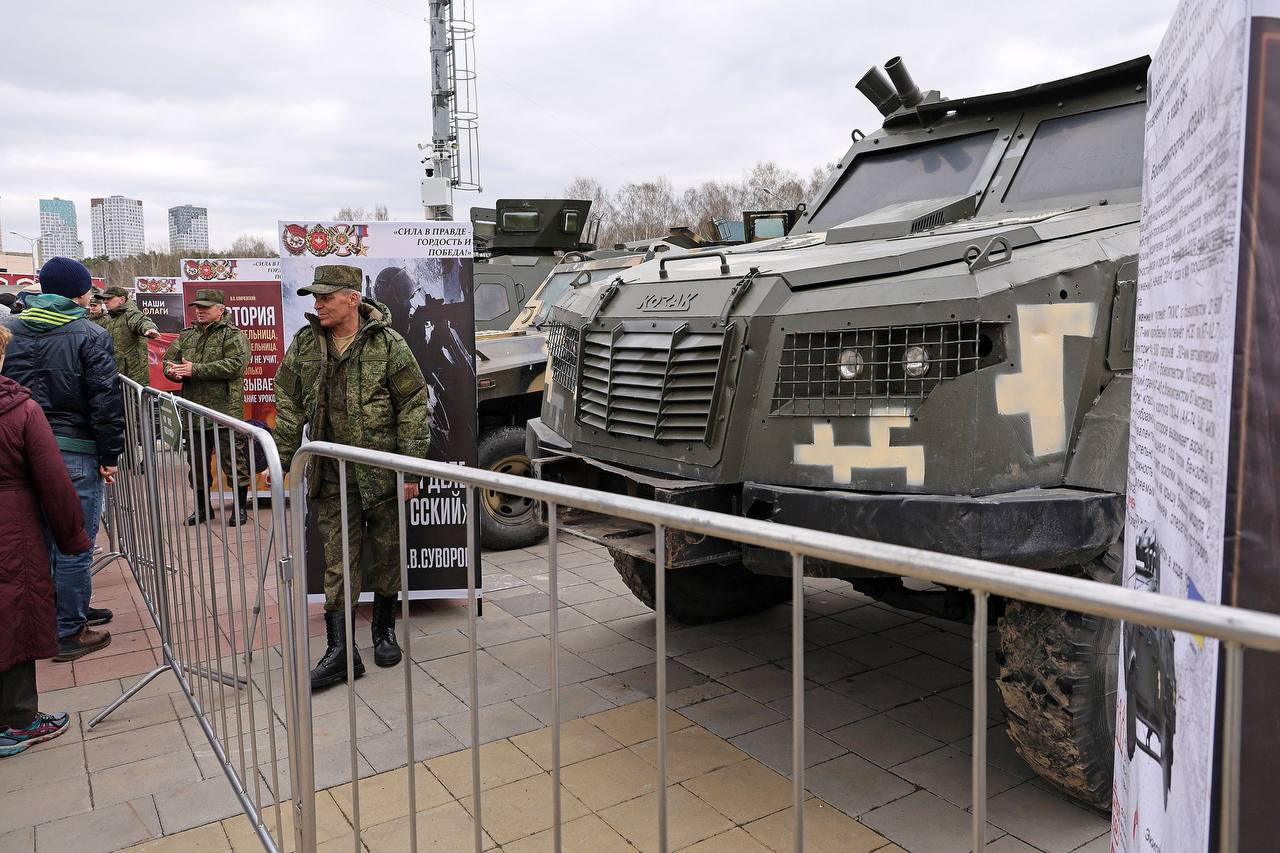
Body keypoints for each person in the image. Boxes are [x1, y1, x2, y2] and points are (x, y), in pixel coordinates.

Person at [275, 264, 430, 689]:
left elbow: (414, 405)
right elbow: (288, 402)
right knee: (338, 562)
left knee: (386, 552)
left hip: (382, 474)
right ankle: (341, 651)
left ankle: (383, 631)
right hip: (330, 476)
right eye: (314, 297)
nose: (318, 304)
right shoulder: (307, 344)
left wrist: (411, 468)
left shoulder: (388, 344)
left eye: (326, 296)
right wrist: (284, 462)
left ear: (352, 299)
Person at [1, 257, 123, 661]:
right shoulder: (90, 333)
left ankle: (66, 610)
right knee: (74, 540)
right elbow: (104, 399)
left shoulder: (11, 330)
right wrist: (110, 455)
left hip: (19, 448)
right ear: (80, 292)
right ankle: (68, 629)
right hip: (74, 449)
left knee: (38, 538)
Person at [0, 324, 91, 756]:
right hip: (11, 528)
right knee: (13, 614)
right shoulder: (18, 409)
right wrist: (73, 537)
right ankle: (18, 721)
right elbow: (54, 481)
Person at [162, 288, 251, 526]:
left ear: (220, 310)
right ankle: (203, 509)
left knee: (233, 461)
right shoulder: (187, 335)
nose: (200, 311)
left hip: (224, 412)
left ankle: (240, 508)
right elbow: (168, 361)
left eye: (205, 307)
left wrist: (195, 369)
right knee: (198, 464)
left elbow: (236, 365)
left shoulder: (232, 335)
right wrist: (174, 373)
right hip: (194, 412)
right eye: (197, 307)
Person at [101, 285, 159, 385]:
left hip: (134, 380)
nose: (105, 302)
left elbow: (141, 320)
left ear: (122, 299)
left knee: (134, 400)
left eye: (109, 298)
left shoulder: (130, 313)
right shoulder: (112, 318)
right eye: (105, 299)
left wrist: (149, 328)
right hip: (117, 375)